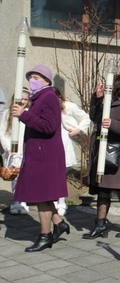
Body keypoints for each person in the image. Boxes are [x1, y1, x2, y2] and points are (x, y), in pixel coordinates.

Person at [10, 65, 69, 252]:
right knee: (41, 194)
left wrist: (24, 115)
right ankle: (59, 223)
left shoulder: (48, 97)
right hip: (39, 154)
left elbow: (49, 126)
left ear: (46, 80)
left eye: (36, 77)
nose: (32, 80)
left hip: (45, 155)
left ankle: (45, 235)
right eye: (31, 77)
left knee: (42, 196)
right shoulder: (39, 98)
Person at [84, 74, 120, 239]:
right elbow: (94, 117)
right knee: (103, 190)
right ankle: (100, 224)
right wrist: (97, 98)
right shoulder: (107, 103)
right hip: (103, 153)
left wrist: (113, 124)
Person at [53, 87, 90, 216]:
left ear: (59, 98)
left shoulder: (69, 107)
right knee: (51, 173)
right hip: (50, 139)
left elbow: (85, 118)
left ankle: (61, 201)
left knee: (61, 172)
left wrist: (78, 130)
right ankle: (52, 200)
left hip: (63, 139)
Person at [0, 88, 31, 215]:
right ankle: (15, 201)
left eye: (25, 99)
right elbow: (2, 132)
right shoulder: (8, 113)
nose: (23, 101)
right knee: (14, 175)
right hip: (13, 150)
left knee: (26, 175)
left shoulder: (29, 112)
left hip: (27, 149)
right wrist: (8, 147)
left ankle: (24, 200)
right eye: (21, 99)